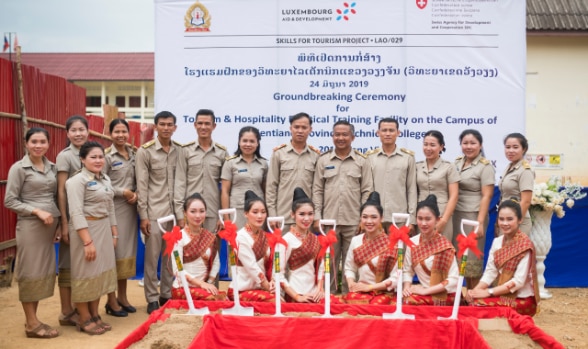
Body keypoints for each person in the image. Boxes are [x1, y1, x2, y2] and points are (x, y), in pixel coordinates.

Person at [4, 128, 60, 338]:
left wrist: (59, 224)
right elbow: (9, 200)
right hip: (30, 226)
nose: (38, 145)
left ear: (48, 144)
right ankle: (31, 324)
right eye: (34, 141)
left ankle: (33, 320)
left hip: (48, 228)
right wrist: (36, 211)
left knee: (41, 274)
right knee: (29, 272)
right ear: (26, 144)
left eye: (42, 141)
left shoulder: (52, 167)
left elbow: (56, 197)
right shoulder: (19, 168)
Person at [313, 120, 373, 294]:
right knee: (329, 260)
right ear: (332, 136)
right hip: (328, 222)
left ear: (352, 137)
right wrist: (317, 216)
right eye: (337, 134)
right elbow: (317, 190)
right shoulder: (323, 160)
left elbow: (367, 191)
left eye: (345, 134)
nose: (341, 138)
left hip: (354, 221)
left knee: (352, 261)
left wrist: (364, 219)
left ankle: (350, 295)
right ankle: (329, 296)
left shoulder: (361, 161)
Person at [66, 141, 118, 335]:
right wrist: (87, 241)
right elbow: (76, 212)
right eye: (93, 157)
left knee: (100, 273)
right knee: (85, 273)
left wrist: (114, 233)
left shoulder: (105, 179)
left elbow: (111, 207)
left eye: (100, 157)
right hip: (86, 230)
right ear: (82, 159)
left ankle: (95, 314)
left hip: (104, 228)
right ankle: (84, 317)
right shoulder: (76, 181)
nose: (98, 160)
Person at [135, 111, 181, 314]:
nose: (166, 128)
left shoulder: (179, 150)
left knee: (170, 257)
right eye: (162, 124)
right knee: (152, 257)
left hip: (175, 213)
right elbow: (142, 186)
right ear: (155, 127)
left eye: (170, 124)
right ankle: (152, 298)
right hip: (154, 212)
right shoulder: (145, 152)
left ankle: (166, 294)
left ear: (175, 127)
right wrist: (143, 215)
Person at [466, 199, 539, 316]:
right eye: (501, 219)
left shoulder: (525, 245)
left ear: (520, 220)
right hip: (501, 295)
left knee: (478, 304)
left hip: (521, 299)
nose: (505, 223)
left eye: (510, 219)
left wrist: (488, 292)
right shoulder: (497, 242)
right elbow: (490, 272)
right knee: (469, 301)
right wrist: (476, 291)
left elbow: (518, 282)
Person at [56, 115, 89, 327]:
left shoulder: (94, 152)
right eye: (73, 130)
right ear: (67, 133)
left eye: (81, 129)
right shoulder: (65, 156)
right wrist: (65, 223)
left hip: (89, 216)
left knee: (84, 264)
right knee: (67, 264)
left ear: (88, 131)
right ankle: (66, 311)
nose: (78, 133)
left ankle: (80, 308)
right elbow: (61, 191)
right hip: (71, 216)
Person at [103, 119, 138, 317]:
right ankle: (111, 300)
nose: (120, 135)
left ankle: (123, 297)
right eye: (116, 131)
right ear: (110, 134)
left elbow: (139, 179)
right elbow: (103, 185)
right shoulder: (106, 157)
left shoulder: (134, 155)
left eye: (124, 131)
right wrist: (122, 192)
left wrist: (137, 193)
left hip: (131, 210)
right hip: (113, 210)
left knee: (125, 255)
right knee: (113, 256)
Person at [453, 129, 495, 289]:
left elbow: (487, 195)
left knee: (471, 259)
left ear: (480, 145)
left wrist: (480, 222)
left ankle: (473, 296)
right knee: (457, 257)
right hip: (455, 216)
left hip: (473, 217)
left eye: (473, 143)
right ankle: (457, 298)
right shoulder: (457, 162)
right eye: (465, 143)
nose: (468, 146)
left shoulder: (485, 166)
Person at [265, 112, 320, 233]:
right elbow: (271, 186)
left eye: (304, 127)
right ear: (290, 128)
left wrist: (315, 216)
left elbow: (317, 189)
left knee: (306, 251)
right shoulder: (279, 153)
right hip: (283, 217)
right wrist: (273, 214)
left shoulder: (315, 155)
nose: (300, 131)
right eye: (296, 127)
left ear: (310, 130)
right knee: (282, 250)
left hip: (306, 218)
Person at [174, 109, 227, 233]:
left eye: (207, 124)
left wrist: (223, 216)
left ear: (214, 126)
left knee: (211, 251)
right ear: (195, 125)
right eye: (200, 123)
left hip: (213, 213)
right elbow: (179, 183)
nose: (203, 127)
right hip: (190, 213)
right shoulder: (185, 151)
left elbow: (226, 188)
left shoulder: (221, 152)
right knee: (189, 250)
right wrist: (180, 214)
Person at [403, 194, 459, 306]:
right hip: (423, 291)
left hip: (445, 294)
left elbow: (454, 279)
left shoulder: (445, 246)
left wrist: (426, 291)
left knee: (412, 303)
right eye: (420, 219)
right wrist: (407, 287)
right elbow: (407, 271)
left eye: (428, 219)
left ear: (437, 220)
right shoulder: (412, 243)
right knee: (404, 300)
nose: (423, 223)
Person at [343, 192, 398, 305]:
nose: (369, 221)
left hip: (382, 292)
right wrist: (351, 283)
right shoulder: (356, 241)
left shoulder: (391, 244)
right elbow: (349, 268)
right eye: (365, 217)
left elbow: (395, 278)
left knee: (376, 305)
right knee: (349, 302)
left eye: (374, 217)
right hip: (360, 292)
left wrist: (370, 287)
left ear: (381, 218)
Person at [170, 193, 225, 301]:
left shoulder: (210, 237)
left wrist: (208, 283)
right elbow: (177, 270)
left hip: (204, 286)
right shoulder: (178, 237)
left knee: (224, 299)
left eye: (202, 211)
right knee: (215, 300)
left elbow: (216, 262)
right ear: (185, 213)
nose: (198, 216)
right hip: (183, 287)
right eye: (193, 211)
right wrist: (201, 284)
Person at [366, 118, 417, 233]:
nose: (388, 134)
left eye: (391, 130)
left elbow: (411, 189)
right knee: (376, 251)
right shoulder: (370, 158)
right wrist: (367, 216)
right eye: (384, 130)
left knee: (398, 251)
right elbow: (368, 189)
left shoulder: (408, 158)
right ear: (378, 133)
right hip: (375, 219)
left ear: (398, 133)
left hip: (400, 218)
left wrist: (412, 220)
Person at [276, 188, 326, 303]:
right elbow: (278, 273)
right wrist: (297, 296)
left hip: (315, 293)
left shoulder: (316, 239)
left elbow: (321, 267)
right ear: (292, 215)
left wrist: (319, 288)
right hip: (295, 293)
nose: (307, 219)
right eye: (302, 214)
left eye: (310, 214)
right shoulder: (285, 240)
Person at [227, 190, 274, 302]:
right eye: (255, 212)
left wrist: (273, 282)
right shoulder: (240, 237)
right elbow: (252, 266)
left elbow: (270, 264)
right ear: (246, 214)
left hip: (262, 287)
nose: (260, 216)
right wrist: (268, 287)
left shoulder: (266, 237)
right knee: (275, 301)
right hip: (242, 289)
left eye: (263, 212)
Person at [416, 130, 460, 241]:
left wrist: (444, 220)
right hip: (422, 216)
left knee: (441, 249)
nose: (428, 148)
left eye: (432, 145)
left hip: (441, 215)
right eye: (425, 144)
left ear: (441, 147)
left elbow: (454, 195)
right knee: (421, 250)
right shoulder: (417, 166)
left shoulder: (449, 167)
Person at [221, 126, 268, 229]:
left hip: (258, 212)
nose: (248, 144)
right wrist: (226, 218)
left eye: (252, 141)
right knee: (237, 243)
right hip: (237, 211)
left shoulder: (263, 163)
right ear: (239, 142)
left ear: (257, 143)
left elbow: (266, 191)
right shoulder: (230, 162)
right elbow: (225, 191)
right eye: (244, 141)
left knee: (257, 242)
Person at [499, 133, 534, 234]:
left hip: (517, 222)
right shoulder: (509, 166)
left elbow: (526, 201)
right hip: (506, 220)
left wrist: (514, 222)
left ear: (524, 149)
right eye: (507, 147)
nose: (510, 150)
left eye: (515, 147)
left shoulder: (525, 170)